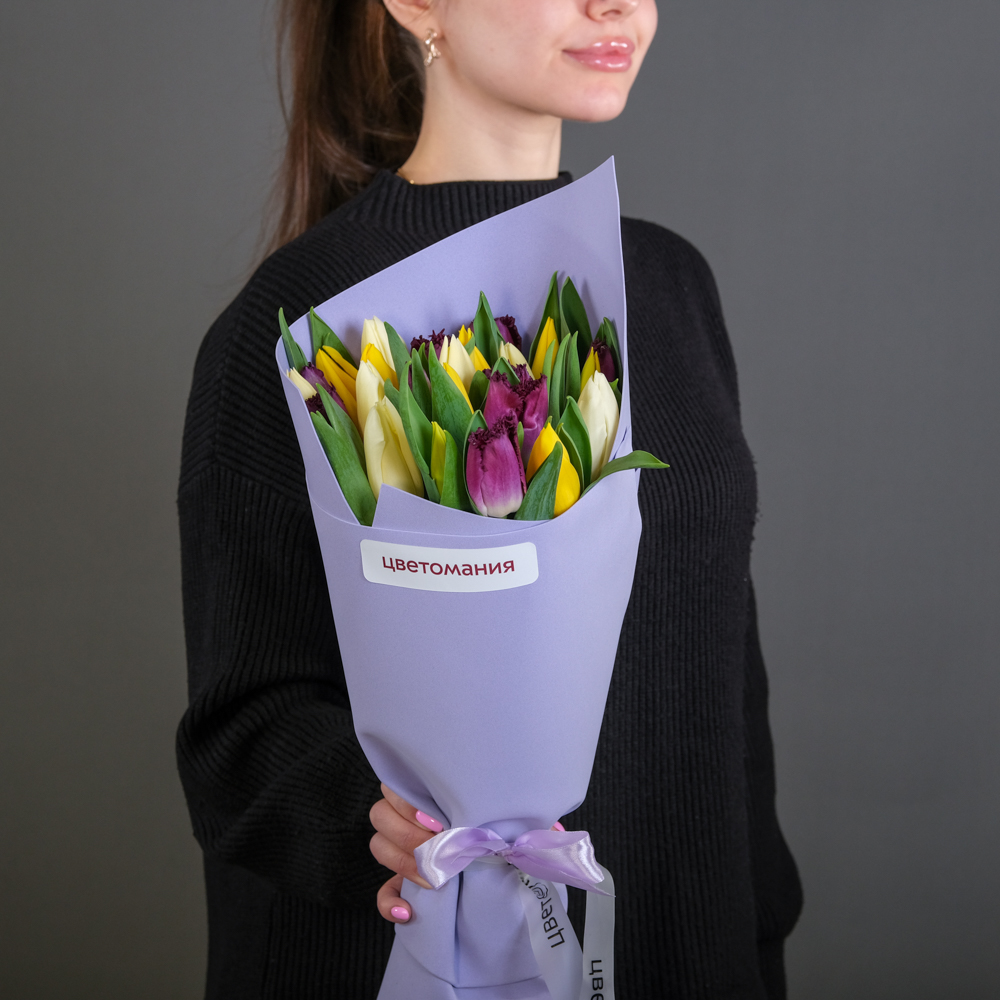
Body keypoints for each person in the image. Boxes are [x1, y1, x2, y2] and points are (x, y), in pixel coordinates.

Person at [176, 0, 803, 996]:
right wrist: (370, 818)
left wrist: (756, 943)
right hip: (404, 956)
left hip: (680, 951)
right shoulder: (298, 321)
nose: (616, 6)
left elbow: (728, 689)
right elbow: (239, 733)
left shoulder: (670, 285)